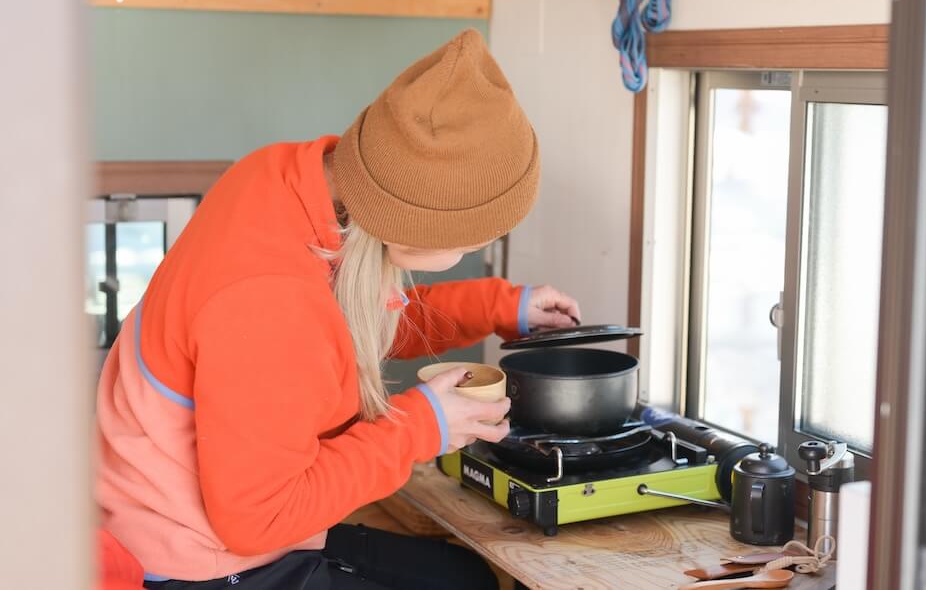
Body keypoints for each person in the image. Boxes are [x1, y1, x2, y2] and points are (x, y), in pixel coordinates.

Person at [95, 29, 581, 590]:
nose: (476, 249)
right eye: (475, 240)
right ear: (416, 226)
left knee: (463, 577)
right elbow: (259, 516)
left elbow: (336, 331)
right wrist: (424, 425)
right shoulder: (269, 300)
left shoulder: (286, 181)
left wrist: (502, 306)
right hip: (196, 561)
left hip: (200, 519)